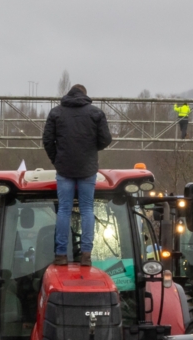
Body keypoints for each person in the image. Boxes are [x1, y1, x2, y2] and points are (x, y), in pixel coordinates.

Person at [42, 84, 112, 267]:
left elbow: (47, 140)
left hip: (64, 168)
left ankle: (60, 255)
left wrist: (56, 160)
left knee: (64, 210)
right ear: (85, 95)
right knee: (87, 209)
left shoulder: (56, 113)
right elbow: (106, 139)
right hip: (87, 169)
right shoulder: (96, 113)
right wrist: (90, 150)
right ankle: (86, 255)